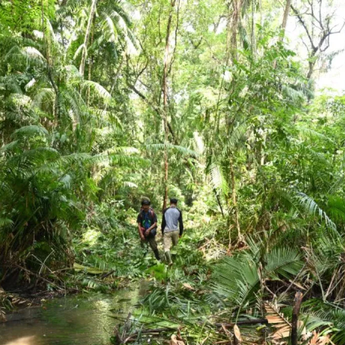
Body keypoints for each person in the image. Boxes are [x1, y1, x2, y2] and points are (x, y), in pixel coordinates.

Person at [161, 198, 184, 265]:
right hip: (175, 231)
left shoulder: (165, 210)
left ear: (170, 202)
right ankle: (176, 260)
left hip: (167, 231)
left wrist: (162, 231)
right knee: (176, 246)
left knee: (166, 247)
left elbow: (163, 222)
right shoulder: (178, 211)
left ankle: (170, 261)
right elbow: (181, 223)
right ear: (176, 203)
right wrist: (181, 233)